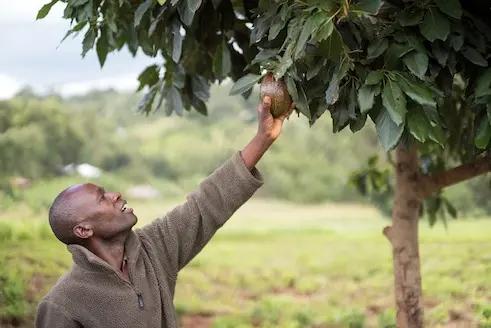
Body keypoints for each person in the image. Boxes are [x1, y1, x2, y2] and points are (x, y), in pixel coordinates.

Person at [35, 96, 294, 328]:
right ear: (83, 229)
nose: (115, 195)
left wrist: (263, 138)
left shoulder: (153, 249)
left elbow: (206, 204)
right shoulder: (63, 306)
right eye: (101, 198)